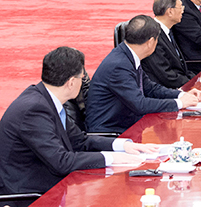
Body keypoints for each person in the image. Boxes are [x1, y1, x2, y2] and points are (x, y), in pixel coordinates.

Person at [0, 47, 156, 199]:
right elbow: (61, 162)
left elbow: (80, 141)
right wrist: (112, 158)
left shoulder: (46, 100)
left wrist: (123, 146)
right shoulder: (34, 110)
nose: (83, 83)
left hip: (49, 186)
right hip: (28, 195)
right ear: (71, 82)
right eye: (82, 78)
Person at [86, 16, 201, 133]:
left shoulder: (127, 55)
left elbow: (150, 88)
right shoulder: (119, 65)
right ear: (151, 42)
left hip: (126, 123)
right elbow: (140, 104)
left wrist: (181, 95)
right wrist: (179, 103)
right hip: (110, 131)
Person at [144, 0, 192, 89]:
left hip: (178, 82)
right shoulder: (153, 36)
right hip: (164, 90)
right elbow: (165, 75)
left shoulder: (168, 30)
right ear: (170, 11)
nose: (183, 10)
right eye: (180, 7)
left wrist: (196, 79)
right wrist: (192, 83)